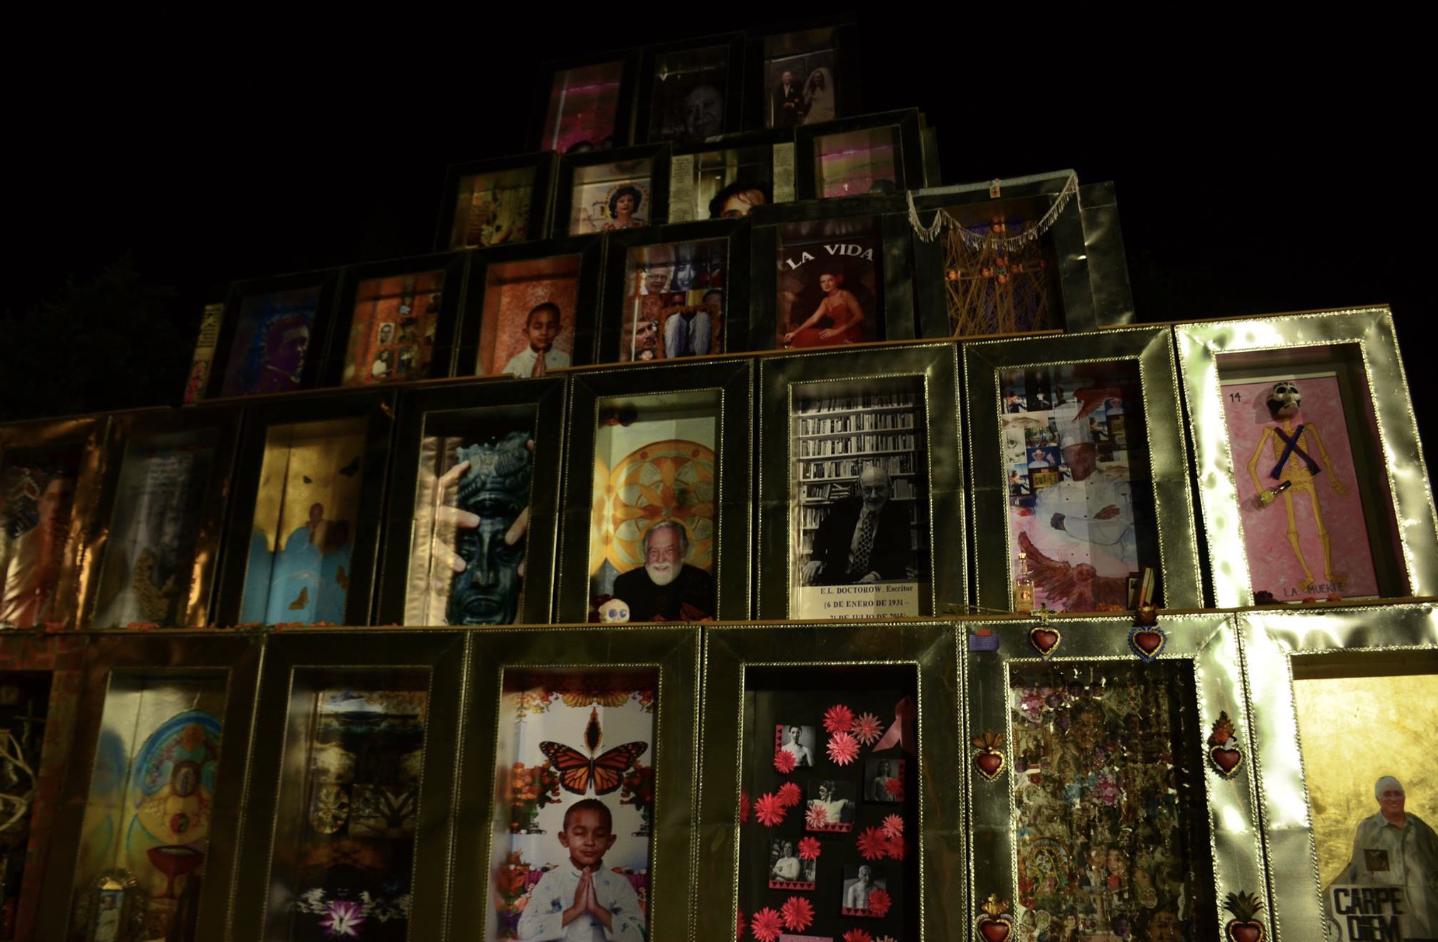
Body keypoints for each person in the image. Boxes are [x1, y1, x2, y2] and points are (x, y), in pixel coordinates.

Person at [1023, 400, 1137, 610]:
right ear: (1064, 457)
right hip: (1064, 586)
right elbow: (1044, 540)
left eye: (1084, 450)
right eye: (1072, 452)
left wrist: (1063, 522)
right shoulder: (1049, 495)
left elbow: (1112, 532)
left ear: (1094, 452)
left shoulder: (1117, 487)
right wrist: (1094, 521)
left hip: (1112, 584)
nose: (1079, 457)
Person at [516, 799, 645, 941]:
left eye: (600, 835)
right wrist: (575, 910)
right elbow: (526, 931)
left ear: (610, 841)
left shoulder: (619, 884)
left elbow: (638, 935)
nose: (590, 842)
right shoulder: (552, 880)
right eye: (579, 833)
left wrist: (597, 910)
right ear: (564, 839)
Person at [1336, 776, 1438, 939]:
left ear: (1404, 796)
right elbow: (1358, 870)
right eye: (1387, 794)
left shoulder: (1420, 827)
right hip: (1390, 920)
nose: (1393, 799)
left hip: (1426, 917)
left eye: (1397, 794)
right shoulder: (1368, 828)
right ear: (1378, 799)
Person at [802, 465, 913, 586]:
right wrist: (816, 558)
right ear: (860, 490)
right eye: (867, 490)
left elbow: (901, 554)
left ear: (889, 488)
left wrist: (876, 575)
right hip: (838, 577)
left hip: (875, 580)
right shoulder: (842, 507)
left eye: (879, 489)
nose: (873, 495)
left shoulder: (899, 515)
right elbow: (822, 534)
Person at [1, 472, 75, 628]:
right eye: (51, 498)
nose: (56, 507)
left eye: (64, 499)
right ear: (40, 503)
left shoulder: (79, 554)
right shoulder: (16, 550)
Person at [610, 521, 714, 621]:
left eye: (669, 551)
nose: (660, 559)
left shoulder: (700, 581)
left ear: (683, 551)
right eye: (654, 551)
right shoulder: (625, 584)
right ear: (645, 553)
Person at [783, 271, 865, 347]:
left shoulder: (845, 294)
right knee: (803, 334)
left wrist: (836, 331)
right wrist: (794, 333)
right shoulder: (826, 301)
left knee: (808, 337)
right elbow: (813, 319)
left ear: (836, 281)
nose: (826, 284)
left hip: (848, 332)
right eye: (823, 282)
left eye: (830, 280)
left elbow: (859, 316)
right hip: (833, 331)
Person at [502, 302, 571, 377]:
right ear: (527, 333)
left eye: (551, 326)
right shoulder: (516, 362)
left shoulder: (565, 360)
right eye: (537, 327)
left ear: (558, 330)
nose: (544, 332)